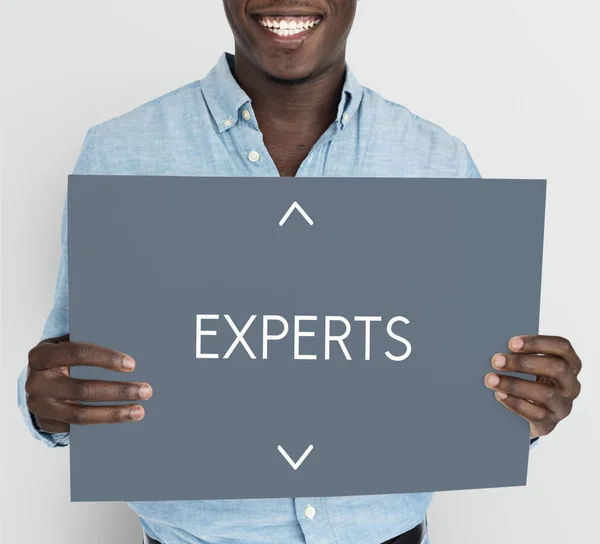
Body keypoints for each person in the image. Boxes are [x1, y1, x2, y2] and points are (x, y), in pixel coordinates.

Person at [18, 1, 582, 543]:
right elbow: (66, 366)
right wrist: (47, 406)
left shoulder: (439, 163)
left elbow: (469, 383)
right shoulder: (118, 155)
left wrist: (525, 409)